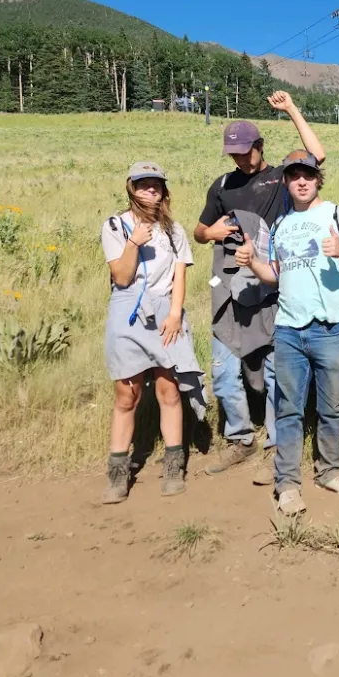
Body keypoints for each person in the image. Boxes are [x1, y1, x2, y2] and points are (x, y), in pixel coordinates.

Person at [194, 91, 326, 483]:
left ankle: (274, 444)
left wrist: (291, 109)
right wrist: (209, 232)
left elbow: (315, 157)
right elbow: (200, 230)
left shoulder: (278, 179)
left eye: (245, 151)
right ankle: (240, 437)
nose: (239, 158)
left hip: (270, 286)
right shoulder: (222, 185)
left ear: (259, 147)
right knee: (222, 370)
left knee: (272, 370)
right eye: (232, 153)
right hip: (229, 289)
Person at [234, 151, 339, 515]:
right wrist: (253, 263)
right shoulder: (280, 225)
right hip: (289, 329)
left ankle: (329, 470)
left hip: (331, 328)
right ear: (286, 182)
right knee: (288, 410)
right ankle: (288, 484)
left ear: (317, 178)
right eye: (294, 176)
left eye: (307, 175)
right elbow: (275, 275)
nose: (302, 182)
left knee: (332, 407)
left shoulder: (338, 216)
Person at [100, 161, 204, 503]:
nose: (151, 190)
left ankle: (174, 465)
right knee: (126, 395)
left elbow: (179, 276)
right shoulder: (116, 225)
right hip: (127, 311)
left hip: (164, 312)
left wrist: (175, 315)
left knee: (169, 391)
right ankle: (118, 474)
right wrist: (133, 242)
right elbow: (121, 277)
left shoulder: (173, 231)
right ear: (132, 187)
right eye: (144, 184)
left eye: (156, 185)